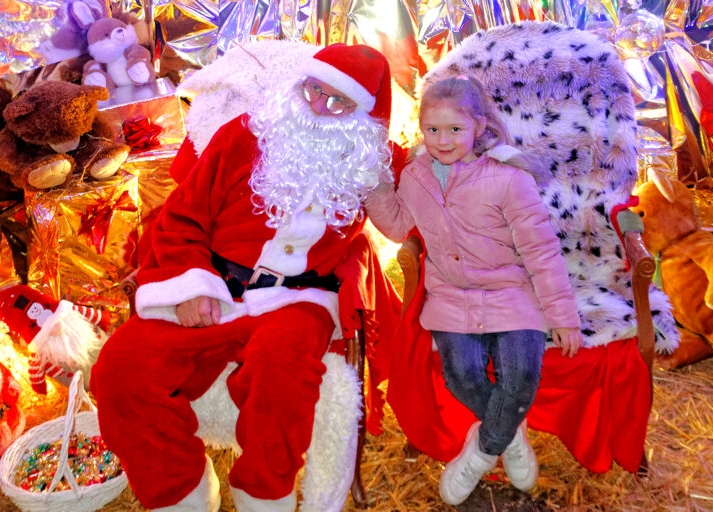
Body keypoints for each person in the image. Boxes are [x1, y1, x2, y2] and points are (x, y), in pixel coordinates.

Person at [90, 43, 399, 512]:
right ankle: (183, 493)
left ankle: (263, 495)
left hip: (300, 301)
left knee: (283, 376)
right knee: (121, 369)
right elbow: (183, 216)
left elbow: (434, 200)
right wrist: (191, 285)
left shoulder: (369, 163)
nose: (318, 108)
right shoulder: (243, 136)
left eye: (339, 102)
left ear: (364, 116)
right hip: (213, 279)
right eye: (313, 90)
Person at [364, 76, 583, 505]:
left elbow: (541, 250)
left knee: (521, 373)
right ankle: (510, 437)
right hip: (450, 296)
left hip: (511, 293)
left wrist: (562, 318)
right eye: (433, 130)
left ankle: (481, 451)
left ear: (479, 126)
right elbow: (395, 224)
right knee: (460, 374)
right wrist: (373, 180)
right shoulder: (416, 177)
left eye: (456, 130)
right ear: (421, 128)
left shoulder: (508, 178)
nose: (443, 140)